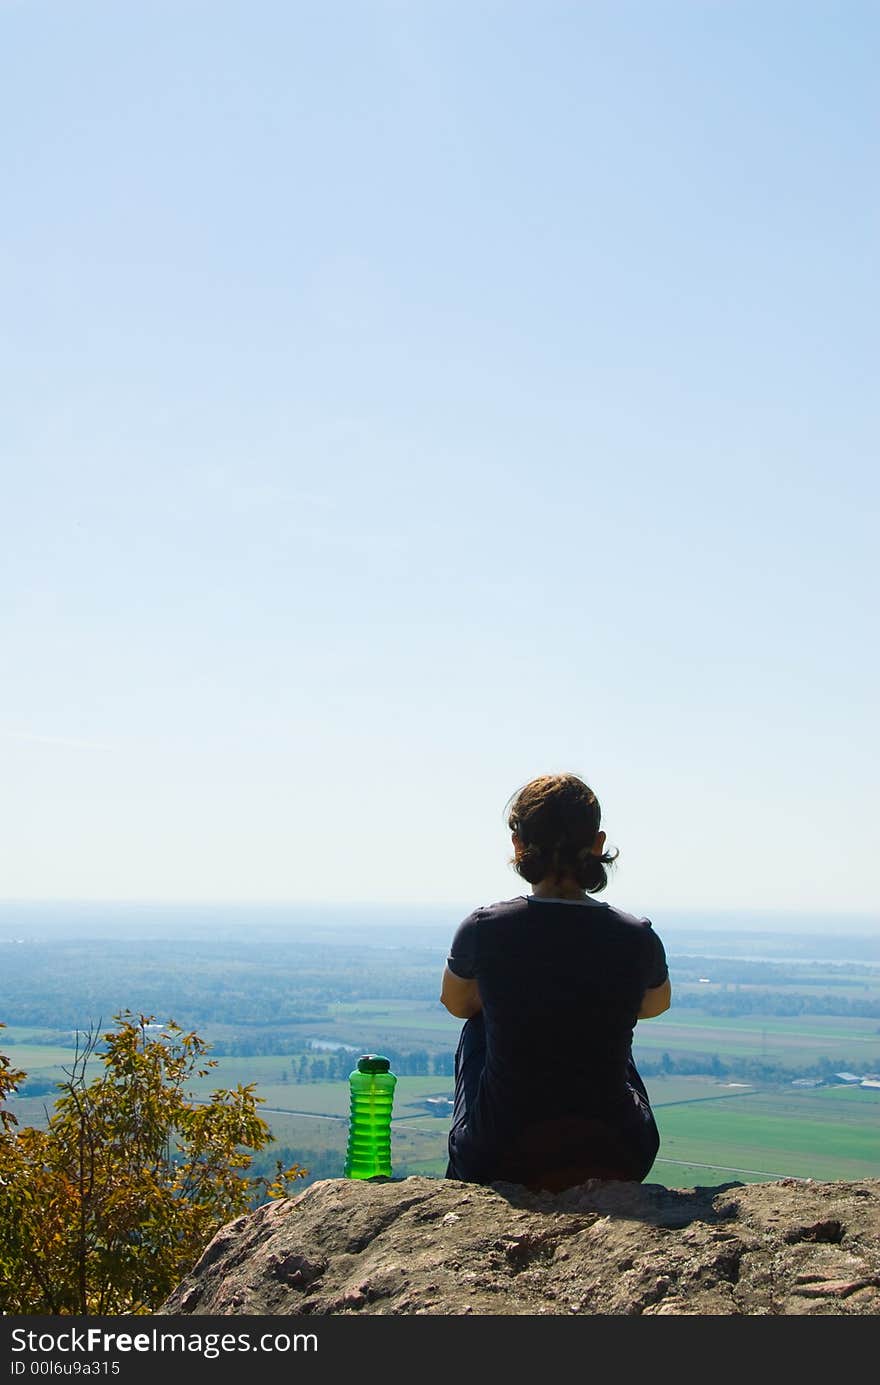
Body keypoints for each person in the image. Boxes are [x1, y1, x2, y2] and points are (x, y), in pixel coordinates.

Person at [440, 772, 671, 1193]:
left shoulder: (485, 928)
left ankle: (462, 1193)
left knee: (479, 1026)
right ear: (598, 845)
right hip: (619, 1152)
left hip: (499, 1155)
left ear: (518, 844)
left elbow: (457, 1003)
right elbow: (654, 1005)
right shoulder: (636, 935)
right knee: (613, 1028)